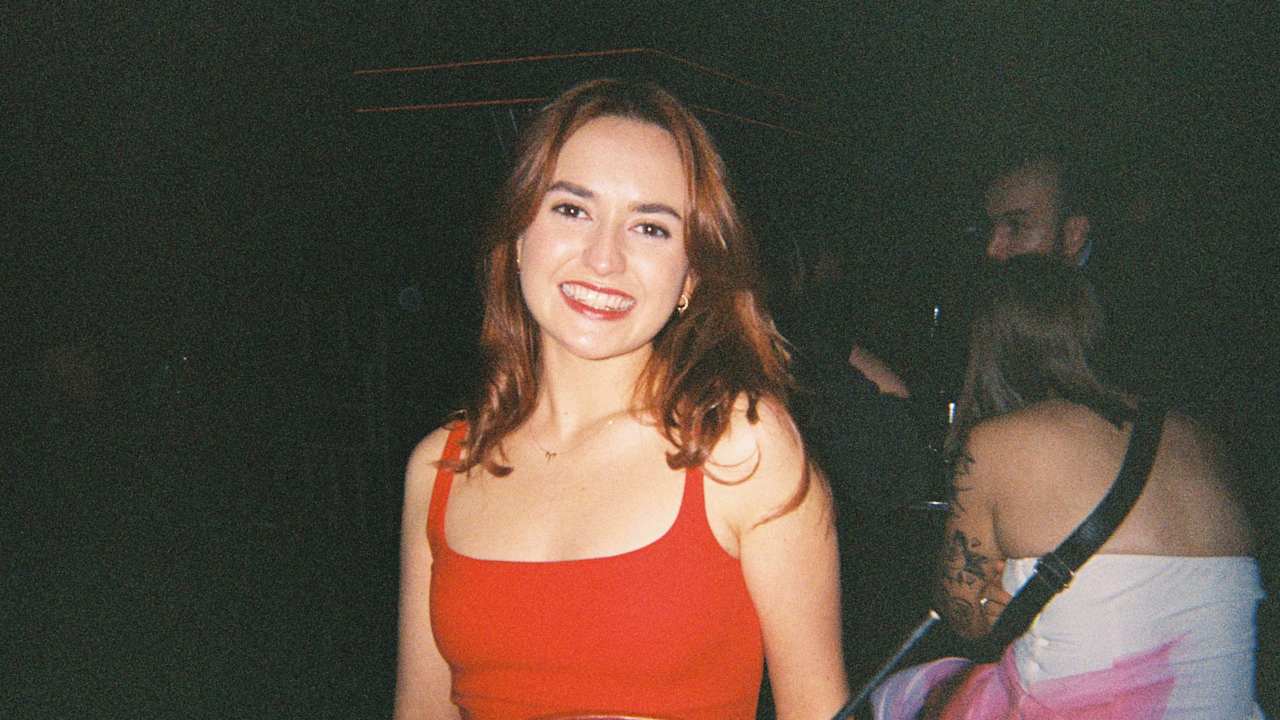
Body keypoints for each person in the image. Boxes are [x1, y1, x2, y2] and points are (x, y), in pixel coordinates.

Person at [393, 79, 848, 720]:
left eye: (650, 228)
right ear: (519, 237)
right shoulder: (439, 467)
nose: (604, 258)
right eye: (572, 210)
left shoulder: (739, 448)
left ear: (691, 275)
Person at [871, 257, 1265, 718]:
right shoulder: (1200, 439)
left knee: (897, 694)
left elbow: (962, 615)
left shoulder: (999, 441)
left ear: (987, 350)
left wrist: (987, 597)